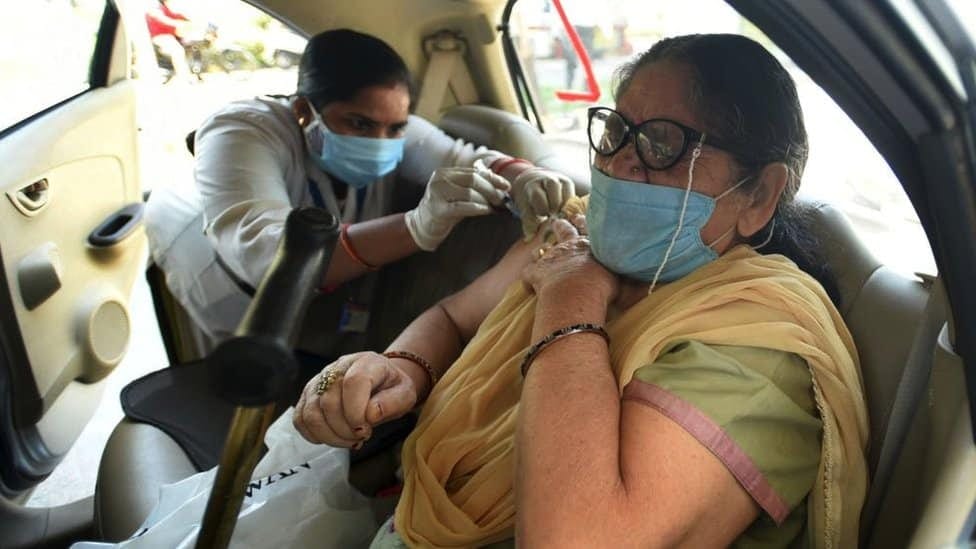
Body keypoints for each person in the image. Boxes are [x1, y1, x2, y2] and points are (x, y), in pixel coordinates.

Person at [294, 33, 869, 548]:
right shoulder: (579, 230)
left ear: (760, 195)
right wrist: (402, 367)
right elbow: (453, 317)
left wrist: (570, 301)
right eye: (618, 133)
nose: (620, 166)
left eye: (663, 145)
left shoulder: (756, 347)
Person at [145, 29, 576, 361]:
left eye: (396, 128)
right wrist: (416, 227)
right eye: (360, 125)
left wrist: (524, 177)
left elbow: (464, 157)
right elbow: (266, 255)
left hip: (322, 297)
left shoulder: (385, 127)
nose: (382, 141)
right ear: (302, 111)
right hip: (222, 279)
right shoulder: (243, 130)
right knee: (238, 378)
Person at [145, 0, 193, 82]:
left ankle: (182, 75)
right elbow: (165, 20)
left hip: (168, 37)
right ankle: (184, 77)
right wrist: (180, 23)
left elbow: (175, 16)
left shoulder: (165, 9)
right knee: (178, 51)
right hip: (160, 37)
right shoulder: (155, 10)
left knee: (182, 49)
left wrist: (187, 21)